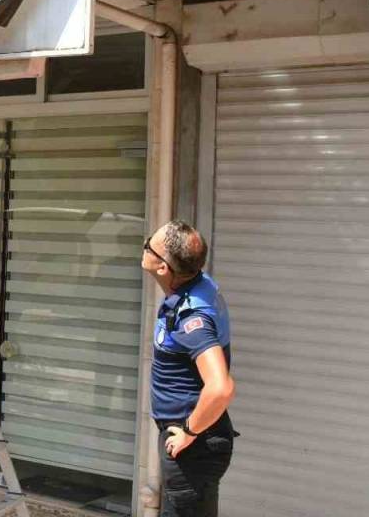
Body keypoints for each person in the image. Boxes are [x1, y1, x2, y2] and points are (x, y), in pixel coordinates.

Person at [143, 220, 236, 517]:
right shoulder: (195, 283)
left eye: (148, 246)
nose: (144, 247)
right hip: (193, 444)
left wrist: (188, 432)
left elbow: (221, 388)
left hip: (193, 448)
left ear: (163, 268)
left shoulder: (191, 317)